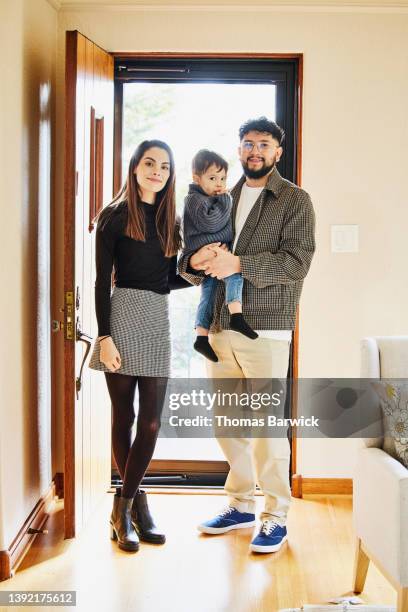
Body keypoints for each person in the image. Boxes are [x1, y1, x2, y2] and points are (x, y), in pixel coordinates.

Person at [178, 117, 316, 554]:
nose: (254, 150)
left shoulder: (295, 199)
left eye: (264, 144)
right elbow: (191, 254)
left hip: (267, 328)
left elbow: (297, 261)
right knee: (228, 424)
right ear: (238, 151)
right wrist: (194, 260)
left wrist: (240, 265)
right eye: (247, 143)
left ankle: (275, 515)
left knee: (267, 427)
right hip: (218, 326)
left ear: (278, 151)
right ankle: (239, 505)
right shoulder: (219, 194)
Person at [89, 140, 191, 553]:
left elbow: (167, 279)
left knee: (151, 422)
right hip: (121, 317)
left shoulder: (171, 219)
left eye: (164, 166)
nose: (157, 171)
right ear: (134, 168)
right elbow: (100, 281)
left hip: (157, 318)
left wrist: (201, 272)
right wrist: (104, 336)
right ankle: (134, 509)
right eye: (150, 163)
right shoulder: (113, 217)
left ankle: (126, 505)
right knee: (124, 417)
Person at [182, 149, 258, 363]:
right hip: (210, 251)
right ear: (197, 179)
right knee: (235, 274)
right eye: (213, 178)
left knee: (209, 295)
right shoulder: (194, 199)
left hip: (212, 253)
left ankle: (201, 337)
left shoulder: (205, 198)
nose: (219, 183)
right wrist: (225, 199)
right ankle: (236, 316)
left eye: (223, 178)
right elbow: (211, 222)